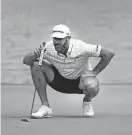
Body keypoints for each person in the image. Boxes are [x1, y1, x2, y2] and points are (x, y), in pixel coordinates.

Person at [23, 24, 115, 118]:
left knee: (91, 85)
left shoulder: (81, 47)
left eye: (60, 39)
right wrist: (35, 54)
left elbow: (108, 54)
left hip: (81, 84)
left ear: (68, 38)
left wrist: (94, 73)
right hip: (59, 82)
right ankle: (45, 107)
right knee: (35, 65)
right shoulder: (48, 48)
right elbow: (26, 61)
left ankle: (87, 101)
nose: (56, 42)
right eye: (55, 38)